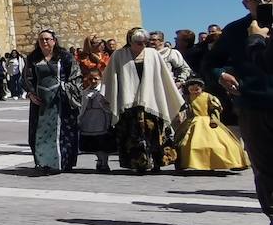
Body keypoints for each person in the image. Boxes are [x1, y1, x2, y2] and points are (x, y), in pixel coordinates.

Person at [207, 0, 273, 225]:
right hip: (253, 105)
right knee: (264, 166)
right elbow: (213, 62)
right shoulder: (235, 30)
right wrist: (221, 74)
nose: (263, 3)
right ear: (245, 3)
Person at [102, 26, 183, 175]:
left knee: (153, 131)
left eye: (145, 42)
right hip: (128, 101)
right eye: (138, 42)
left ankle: (157, 162)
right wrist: (109, 96)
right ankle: (138, 163)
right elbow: (110, 77)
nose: (142, 45)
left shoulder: (153, 54)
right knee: (133, 134)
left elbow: (163, 77)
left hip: (151, 99)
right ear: (130, 41)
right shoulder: (119, 55)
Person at [24, 29, 80, 172]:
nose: (44, 42)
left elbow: (75, 75)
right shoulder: (32, 59)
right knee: (40, 132)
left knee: (62, 132)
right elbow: (26, 78)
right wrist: (30, 93)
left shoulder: (65, 57)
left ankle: (62, 162)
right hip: (40, 101)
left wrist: (67, 89)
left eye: (48, 39)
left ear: (54, 41)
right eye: (41, 39)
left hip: (61, 100)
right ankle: (44, 162)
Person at [175, 78, 248, 172]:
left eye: (197, 89)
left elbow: (215, 109)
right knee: (184, 143)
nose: (194, 91)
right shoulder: (187, 98)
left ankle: (228, 162)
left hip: (207, 121)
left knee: (221, 143)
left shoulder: (208, 97)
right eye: (192, 89)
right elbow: (182, 108)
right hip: (192, 122)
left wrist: (214, 119)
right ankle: (188, 163)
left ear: (201, 88)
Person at [77, 70, 115, 172]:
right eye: (90, 79)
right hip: (89, 120)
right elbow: (82, 107)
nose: (93, 81)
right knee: (93, 143)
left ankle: (104, 162)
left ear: (100, 79)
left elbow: (109, 106)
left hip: (101, 119)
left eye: (95, 79)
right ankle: (99, 160)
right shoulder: (85, 92)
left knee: (102, 142)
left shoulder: (103, 91)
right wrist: (80, 119)